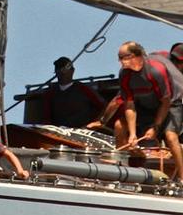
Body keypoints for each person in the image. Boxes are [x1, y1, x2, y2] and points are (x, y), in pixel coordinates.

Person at [119, 42, 183, 180]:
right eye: (120, 57)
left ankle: (182, 178)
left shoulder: (156, 70)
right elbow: (129, 105)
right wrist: (133, 134)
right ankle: (134, 174)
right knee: (133, 136)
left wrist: (156, 127)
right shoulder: (124, 75)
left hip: (171, 103)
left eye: (125, 57)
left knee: (171, 137)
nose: (121, 61)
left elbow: (166, 102)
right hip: (148, 105)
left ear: (138, 56)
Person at [40, 56, 104, 127]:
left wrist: (95, 123)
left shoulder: (83, 89)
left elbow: (104, 107)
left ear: (72, 71)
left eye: (65, 69)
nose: (62, 72)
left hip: (82, 132)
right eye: (59, 69)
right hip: (59, 134)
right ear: (56, 72)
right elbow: (46, 118)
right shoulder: (50, 92)